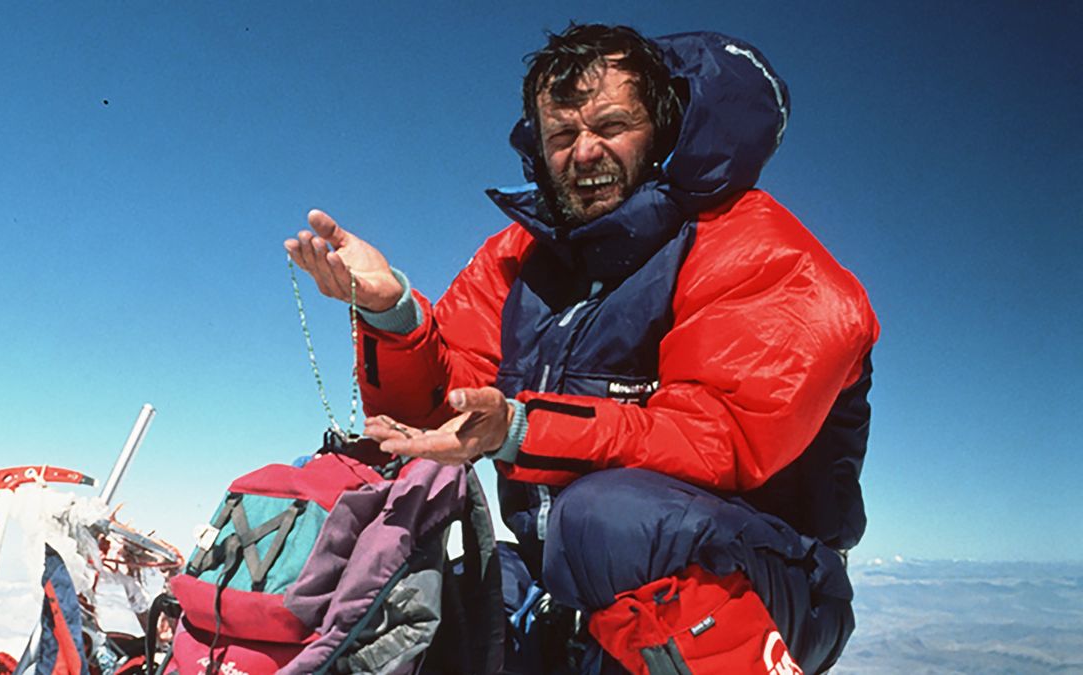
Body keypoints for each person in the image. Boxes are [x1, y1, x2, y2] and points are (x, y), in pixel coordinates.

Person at [286, 24, 878, 675]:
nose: (584, 152)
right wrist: (390, 311)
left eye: (611, 125)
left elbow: (717, 437)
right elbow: (438, 415)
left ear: (663, 128)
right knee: (418, 590)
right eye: (562, 135)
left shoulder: (756, 247)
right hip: (573, 582)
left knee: (605, 520)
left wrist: (519, 426)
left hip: (774, 583)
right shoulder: (516, 262)